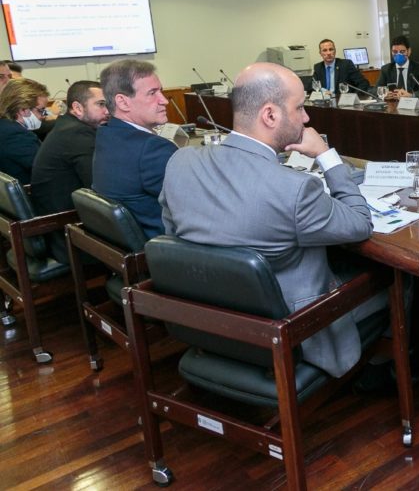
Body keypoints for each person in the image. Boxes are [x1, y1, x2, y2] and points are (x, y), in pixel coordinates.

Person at [159, 62, 374, 378]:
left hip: (211, 325)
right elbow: (360, 223)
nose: (306, 117)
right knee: (401, 279)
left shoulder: (181, 162)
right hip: (289, 331)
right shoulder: (295, 190)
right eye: (299, 107)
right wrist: (327, 155)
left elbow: (172, 235)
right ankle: (379, 375)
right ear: (270, 115)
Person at [92, 60, 176, 238]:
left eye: (161, 91)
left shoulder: (106, 134)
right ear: (122, 102)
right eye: (152, 93)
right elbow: (194, 204)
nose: (164, 101)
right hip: (164, 247)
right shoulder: (152, 149)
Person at [30, 81, 109, 262]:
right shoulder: (78, 135)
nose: (107, 111)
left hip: (57, 229)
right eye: (100, 104)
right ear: (77, 107)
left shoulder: (68, 127)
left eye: (108, 104)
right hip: (68, 238)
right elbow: (100, 188)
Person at [0, 78, 49, 183]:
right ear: (23, 109)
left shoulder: (4, 126)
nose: (44, 116)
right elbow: (46, 169)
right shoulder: (16, 135)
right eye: (41, 110)